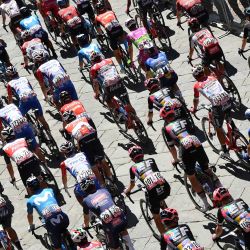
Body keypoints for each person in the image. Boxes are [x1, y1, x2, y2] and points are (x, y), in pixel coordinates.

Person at [161, 105, 221, 211]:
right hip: (195, 140)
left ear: (165, 118)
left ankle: (206, 204)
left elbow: (172, 148)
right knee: (206, 169)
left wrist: (175, 159)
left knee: (191, 177)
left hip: (184, 147)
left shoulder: (166, 128)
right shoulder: (184, 119)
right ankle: (221, 189)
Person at [123, 144, 171, 234]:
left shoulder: (132, 168)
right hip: (165, 186)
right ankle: (169, 216)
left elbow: (132, 184)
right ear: (143, 154)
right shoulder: (151, 160)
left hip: (152, 191)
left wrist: (128, 191)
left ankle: (165, 238)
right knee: (161, 197)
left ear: (132, 159)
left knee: (156, 216)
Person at [80, 174, 135, 250]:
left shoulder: (85, 201)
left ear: (84, 190)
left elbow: (86, 218)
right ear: (93, 184)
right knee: (122, 227)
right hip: (118, 213)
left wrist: (86, 226)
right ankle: (131, 247)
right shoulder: (104, 190)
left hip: (107, 219)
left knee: (113, 246)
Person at [191, 64, 232, 154]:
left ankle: (225, 150)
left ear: (194, 76)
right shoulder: (212, 77)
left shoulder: (197, 85)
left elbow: (196, 99)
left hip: (218, 106)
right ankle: (234, 131)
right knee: (228, 118)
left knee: (218, 128)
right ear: (203, 72)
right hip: (227, 99)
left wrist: (194, 109)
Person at [62, 111, 113, 182]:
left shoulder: (67, 126)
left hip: (83, 140)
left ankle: (102, 184)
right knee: (102, 160)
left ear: (66, 120)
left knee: (93, 166)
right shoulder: (83, 118)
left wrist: (77, 149)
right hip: (93, 135)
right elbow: (93, 127)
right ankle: (110, 177)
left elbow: (70, 140)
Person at [26, 175, 74, 250]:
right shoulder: (49, 190)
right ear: (39, 183)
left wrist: (31, 225)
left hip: (52, 223)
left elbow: (30, 215)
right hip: (64, 219)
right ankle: (68, 238)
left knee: (56, 247)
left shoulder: (30, 201)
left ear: (29, 188)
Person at [89, 52, 135, 118]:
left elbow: (95, 83)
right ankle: (136, 121)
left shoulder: (93, 68)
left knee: (107, 100)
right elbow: (115, 71)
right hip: (118, 81)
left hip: (108, 86)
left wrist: (96, 94)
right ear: (100, 57)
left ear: (92, 61)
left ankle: (118, 112)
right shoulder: (109, 60)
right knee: (128, 104)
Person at [6, 66, 50, 131]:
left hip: (24, 100)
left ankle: (32, 129)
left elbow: (10, 100)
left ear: (9, 76)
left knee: (20, 117)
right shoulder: (24, 78)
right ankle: (49, 133)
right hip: (32, 96)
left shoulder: (9, 84)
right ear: (17, 73)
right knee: (41, 117)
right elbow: (31, 88)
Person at [95, 1, 128, 72]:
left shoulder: (97, 17)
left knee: (115, 51)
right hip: (119, 29)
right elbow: (116, 20)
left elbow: (98, 29)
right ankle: (127, 49)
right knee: (124, 38)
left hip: (111, 34)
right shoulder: (110, 11)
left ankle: (122, 68)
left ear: (97, 10)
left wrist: (100, 34)